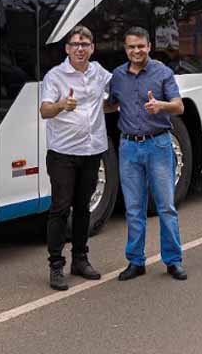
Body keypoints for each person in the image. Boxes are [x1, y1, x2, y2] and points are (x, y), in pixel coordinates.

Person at [108, 26, 187, 281]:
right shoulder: (118, 76)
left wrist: (159, 106)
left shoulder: (162, 72)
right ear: (126, 49)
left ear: (149, 46)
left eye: (140, 46)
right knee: (133, 208)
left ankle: (173, 261)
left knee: (165, 207)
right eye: (131, 46)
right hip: (129, 147)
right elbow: (110, 104)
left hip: (158, 145)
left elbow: (179, 107)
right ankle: (135, 261)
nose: (136, 51)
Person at [40, 25, 112, 291]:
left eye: (85, 44)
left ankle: (80, 259)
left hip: (92, 151)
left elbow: (113, 94)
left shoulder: (99, 73)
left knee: (84, 207)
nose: (80, 49)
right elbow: (45, 111)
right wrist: (62, 105)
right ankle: (56, 265)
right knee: (60, 208)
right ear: (67, 49)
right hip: (63, 153)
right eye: (75, 44)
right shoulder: (55, 76)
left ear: (92, 48)